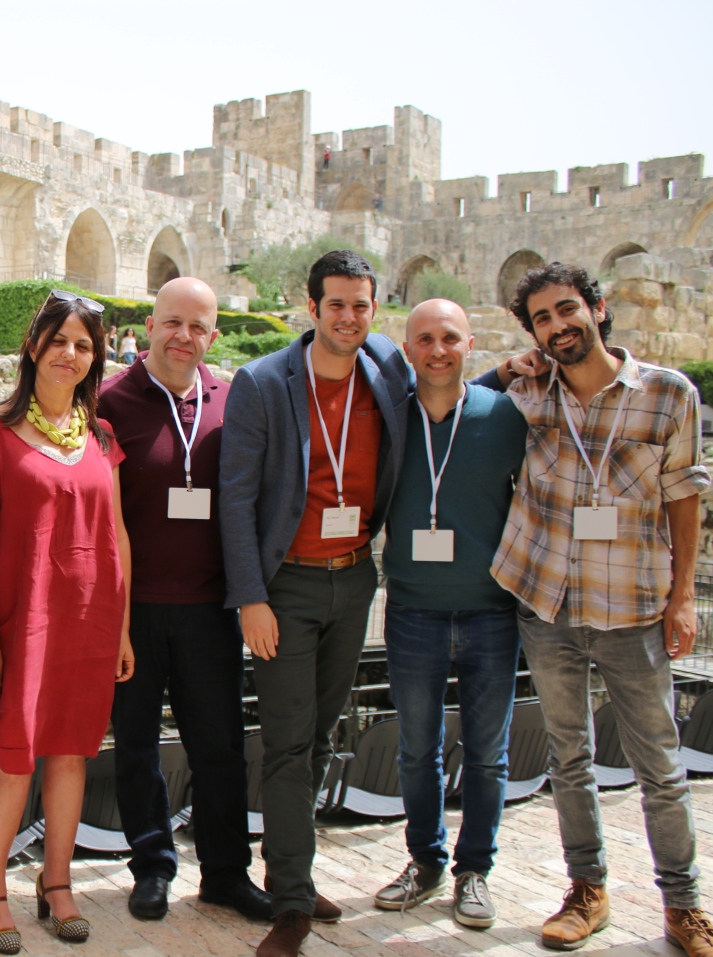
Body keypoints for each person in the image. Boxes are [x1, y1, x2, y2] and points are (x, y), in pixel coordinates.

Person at [491, 263, 713, 957]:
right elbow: (456, 396)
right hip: (549, 604)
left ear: (596, 309)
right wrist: (505, 366)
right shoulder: (527, 392)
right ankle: (586, 890)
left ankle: (683, 906)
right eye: (541, 318)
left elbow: (684, 496)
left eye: (567, 308)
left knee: (660, 764)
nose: (557, 325)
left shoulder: (667, 393)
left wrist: (682, 596)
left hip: (632, 605)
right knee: (568, 756)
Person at [218, 250, 409, 957]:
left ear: (373, 309)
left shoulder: (386, 370)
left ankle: (290, 867)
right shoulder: (265, 382)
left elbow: (443, 383)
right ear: (312, 307)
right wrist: (250, 597)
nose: (349, 317)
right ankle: (292, 902)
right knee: (288, 740)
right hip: (287, 588)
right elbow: (235, 498)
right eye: (336, 305)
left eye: (360, 305)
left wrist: (506, 374)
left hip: (354, 579)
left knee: (323, 733)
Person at [0, 290, 134, 954]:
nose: (70, 353)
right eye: (58, 339)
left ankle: (56, 882)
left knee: (71, 754)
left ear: (96, 359)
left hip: (90, 625)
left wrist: (121, 629)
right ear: (33, 346)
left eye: (84, 345)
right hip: (21, 625)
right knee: (12, 757)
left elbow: (117, 537)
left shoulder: (101, 437)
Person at [98, 278, 269, 922]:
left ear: (213, 337)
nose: (183, 336)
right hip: (133, 609)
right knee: (137, 745)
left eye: (198, 327)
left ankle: (226, 872)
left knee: (219, 746)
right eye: (173, 322)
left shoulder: (232, 400)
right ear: (149, 326)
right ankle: (152, 867)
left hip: (209, 607)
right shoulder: (110, 401)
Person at [371, 299, 527, 929]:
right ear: (407, 349)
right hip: (413, 611)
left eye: (451, 338)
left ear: (471, 345)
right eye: (425, 339)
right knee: (417, 751)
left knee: (488, 754)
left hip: (493, 612)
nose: (438, 350)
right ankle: (426, 860)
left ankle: (474, 870)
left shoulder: (506, 415)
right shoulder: (389, 418)